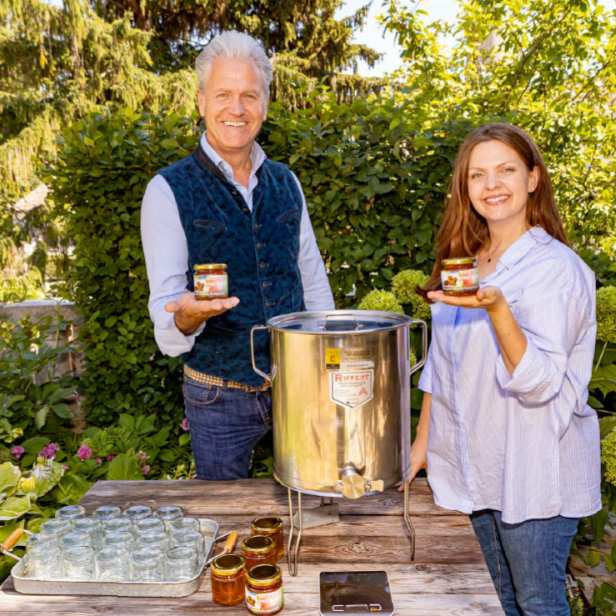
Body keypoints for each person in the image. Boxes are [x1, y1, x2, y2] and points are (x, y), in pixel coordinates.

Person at [406, 123, 601, 616]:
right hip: (474, 467)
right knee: (494, 602)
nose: (491, 185)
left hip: (534, 469)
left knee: (537, 604)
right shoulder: (465, 263)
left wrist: (498, 310)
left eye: (506, 170)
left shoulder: (558, 270)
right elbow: (442, 368)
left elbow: (539, 383)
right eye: (478, 175)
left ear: (533, 179)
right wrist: (422, 446)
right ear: (465, 189)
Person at [141, 31, 334, 481]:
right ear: (201, 100)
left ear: (265, 104)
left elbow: (312, 280)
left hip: (297, 385)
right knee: (222, 522)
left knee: (315, 506)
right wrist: (188, 316)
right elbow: (168, 321)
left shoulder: (287, 182)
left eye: (249, 95)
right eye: (224, 94)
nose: (237, 108)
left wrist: (328, 365)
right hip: (218, 395)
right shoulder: (168, 190)